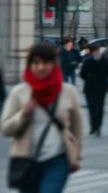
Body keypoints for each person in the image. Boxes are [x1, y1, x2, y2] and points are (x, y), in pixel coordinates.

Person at [1, 43, 83, 193]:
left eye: (45, 63)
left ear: (54, 64)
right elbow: (5, 129)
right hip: (26, 161)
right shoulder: (19, 92)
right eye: (36, 63)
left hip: (57, 160)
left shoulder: (68, 92)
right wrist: (24, 114)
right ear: (29, 65)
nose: (40, 67)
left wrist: (75, 155)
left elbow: (77, 127)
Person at [78, 44, 108, 136]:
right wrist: (88, 78)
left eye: (98, 51)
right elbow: (82, 74)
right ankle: (93, 127)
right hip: (89, 88)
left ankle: (98, 127)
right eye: (95, 51)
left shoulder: (104, 61)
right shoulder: (87, 62)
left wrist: (104, 77)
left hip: (101, 88)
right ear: (92, 52)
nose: (97, 53)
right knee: (92, 108)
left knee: (100, 108)